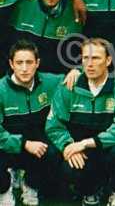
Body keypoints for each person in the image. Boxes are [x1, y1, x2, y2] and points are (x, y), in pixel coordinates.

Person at [46, 37, 115, 206]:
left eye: (95, 58)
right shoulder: (68, 86)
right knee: (70, 168)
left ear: (108, 60)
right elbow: (54, 125)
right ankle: (90, 191)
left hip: (109, 149)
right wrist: (68, 145)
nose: (89, 64)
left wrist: (87, 143)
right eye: (85, 58)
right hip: (80, 150)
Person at [0, 40, 63, 206]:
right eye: (19, 63)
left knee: (52, 151)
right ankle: (4, 188)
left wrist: (76, 72)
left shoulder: (51, 82)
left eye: (29, 62)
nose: (24, 68)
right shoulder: (0, 90)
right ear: (11, 64)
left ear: (37, 63)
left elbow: (85, 73)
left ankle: (30, 183)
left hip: (37, 144)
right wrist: (23, 144)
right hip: (9, 145)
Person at [9, 0, 83, 74]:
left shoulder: (75, 8)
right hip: (25, 75)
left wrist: (77, 69)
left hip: (58, 78)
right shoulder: (22, 3)